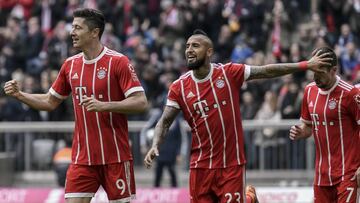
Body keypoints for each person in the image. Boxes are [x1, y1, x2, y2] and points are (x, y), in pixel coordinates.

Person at [143, 29, 332, 203]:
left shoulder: (228, 73)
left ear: (209, 51)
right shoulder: (179, 87)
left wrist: (305, 65)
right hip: (199, 166)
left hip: (230, 165)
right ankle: (248, 198)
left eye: (195, 45)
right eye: (187, 46)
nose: (189, 50)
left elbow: (267, 70)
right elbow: (164, 122)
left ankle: (248, 197)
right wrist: (155, 145)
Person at [3, 8, 147, 203]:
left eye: (78, 28)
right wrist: (20, 95)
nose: (72, 32)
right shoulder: (70, 65)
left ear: (94, 32)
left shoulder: (118, 62)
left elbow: (141, 102)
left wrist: (104, 106)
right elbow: (49, 101)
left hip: (116, 157)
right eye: (72, 27)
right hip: (82, 157)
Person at [289, 47, 359, 203]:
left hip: (347, 172)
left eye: (320, 73)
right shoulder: (309, 91)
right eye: (313, 73)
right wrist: (301, 132)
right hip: (321, 175)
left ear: (334, 70)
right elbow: (307, 126)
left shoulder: (350, 94)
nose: (316, 78)